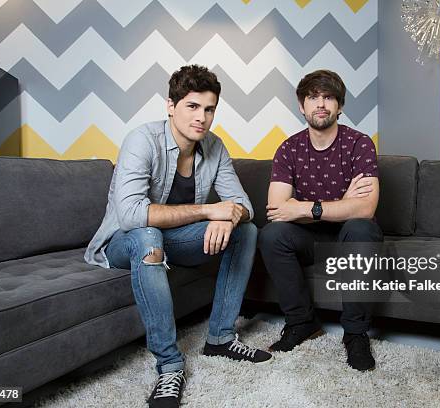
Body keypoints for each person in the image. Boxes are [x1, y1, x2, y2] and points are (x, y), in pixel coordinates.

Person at [85, 65, 272, 408]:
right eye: (192, 106)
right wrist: (209, 211)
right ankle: (170, 365)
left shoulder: (214, 147)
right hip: (124, 242)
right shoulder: (142, 140)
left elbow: (244, 205)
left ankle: (220, 337)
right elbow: (131, 215)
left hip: (174, 239)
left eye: (209, 109)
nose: (201, 117)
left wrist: (229, 219)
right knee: (147, 235)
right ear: (171, 105)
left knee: (247, 230)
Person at [257, 69, 382, 371]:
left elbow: (365, 209)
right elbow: (276, 210)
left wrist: (304, 208)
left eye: (328, 97)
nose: (321, 104)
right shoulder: (289, 149)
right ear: (302, 106)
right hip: (310, 240)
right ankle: (302, 322)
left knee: (361, 228)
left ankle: (355, 334)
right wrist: (341, 204)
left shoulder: (359, 144)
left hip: (350, 237)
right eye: (313, 97)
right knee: (271, 235)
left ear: (339, 106)